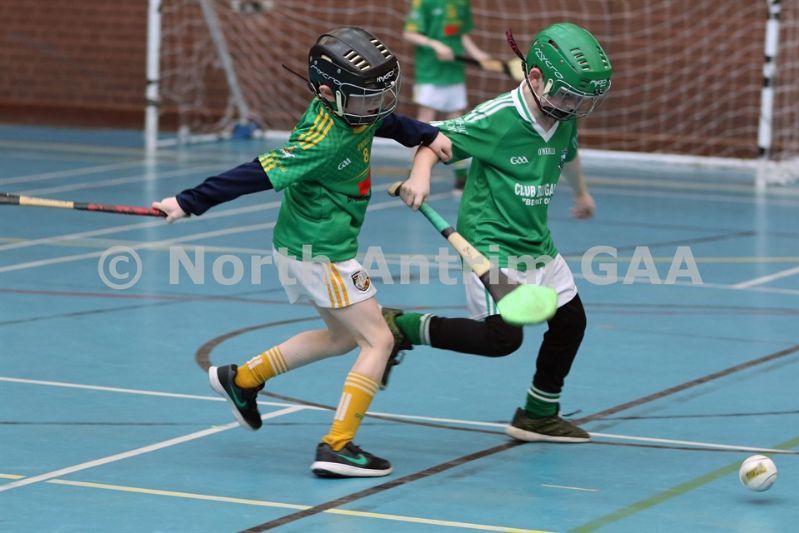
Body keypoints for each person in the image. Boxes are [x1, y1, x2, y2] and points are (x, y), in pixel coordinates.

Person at [152, 27, 451, 478]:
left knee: (341, 338)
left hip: (308, 245)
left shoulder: (353, 109)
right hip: (321, 253)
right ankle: (337, 446)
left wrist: (424, 133)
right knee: (379, 340)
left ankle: (243, 380)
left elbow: (385, 121)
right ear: (328, 93)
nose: (375, 107)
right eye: (366, 98)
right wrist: (188, 201)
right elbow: (254, 173)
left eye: (379, 96)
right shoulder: (321, 140)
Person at [385, 22, 612, 442]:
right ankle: (401, 327)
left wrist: (582, 193)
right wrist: (420, 176)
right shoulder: (498, 118)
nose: (574, 106)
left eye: (582, 100)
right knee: (501, 339)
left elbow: (568, 154)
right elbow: (434, 141)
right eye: (568, 96)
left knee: (570, 322)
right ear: (536, 78)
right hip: (490, 244)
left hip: (535, 241)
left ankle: (538, 414)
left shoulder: (562, 114)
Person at [403, 0, 491, 190]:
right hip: (429, 73)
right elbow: (409, 34)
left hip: (454, 72)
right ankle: (415, 173)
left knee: (457, 123)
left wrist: (476, 53)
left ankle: (460, 174)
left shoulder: (462, 3)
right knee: (425, 120)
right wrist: (435, 44)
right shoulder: (423, 2)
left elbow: (461, 33)